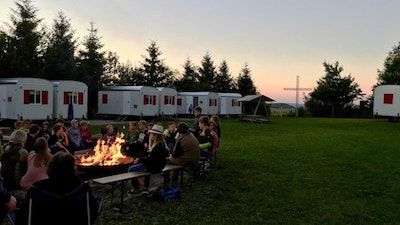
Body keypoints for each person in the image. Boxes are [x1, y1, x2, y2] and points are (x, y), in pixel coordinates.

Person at [16, 152, 99, 225]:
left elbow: (23, 218)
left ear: (50, 168)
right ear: (73, 169)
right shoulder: (82, 189)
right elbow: (93, 214)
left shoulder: (35, 190)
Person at [128, 124, 169, 193]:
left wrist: (140, 160)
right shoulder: (160, 144)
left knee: (131, 169)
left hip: (155, 167)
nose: (152, 136)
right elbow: (151, 158)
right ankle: (145, 186)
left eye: (154, 134)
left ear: (158, 136)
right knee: (143, 165)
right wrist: (142, 159)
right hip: (158, 165)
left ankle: (136, 188)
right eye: (151, 134)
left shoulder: (158, 146)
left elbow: (151, 160)